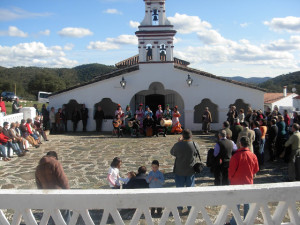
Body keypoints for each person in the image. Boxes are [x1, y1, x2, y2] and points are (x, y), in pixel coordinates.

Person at [227, 136, 259, 225]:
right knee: (247, 203)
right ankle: (247, 220)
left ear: (240, 144)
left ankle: (234, 221)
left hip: (236, 183)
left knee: (235, 203)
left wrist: (231, 179)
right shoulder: (253, 155)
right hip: (248, 182)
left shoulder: (236, 156)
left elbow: (231, 170)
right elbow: (256, 169)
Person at [35, 151, 70, 224]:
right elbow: (63, 180)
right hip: (59, 194)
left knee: (52, 216)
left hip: (48, 197)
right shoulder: (55, 163)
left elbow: (39, 186)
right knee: (65, 215)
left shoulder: (38, 168)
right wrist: (68, 193)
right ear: (55, 157)